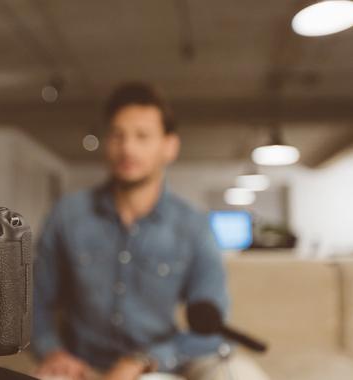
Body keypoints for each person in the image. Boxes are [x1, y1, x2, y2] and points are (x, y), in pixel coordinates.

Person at [32, 83, 268, 380]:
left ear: (169, 146)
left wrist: (143, 360)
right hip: (82, 366)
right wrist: (53, 351)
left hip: (158, 366)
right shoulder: (67, 215)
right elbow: (34, 303)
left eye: (142, 136)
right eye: (118, 135)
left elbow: (210, 328)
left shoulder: (193, 225)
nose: (128, 147)